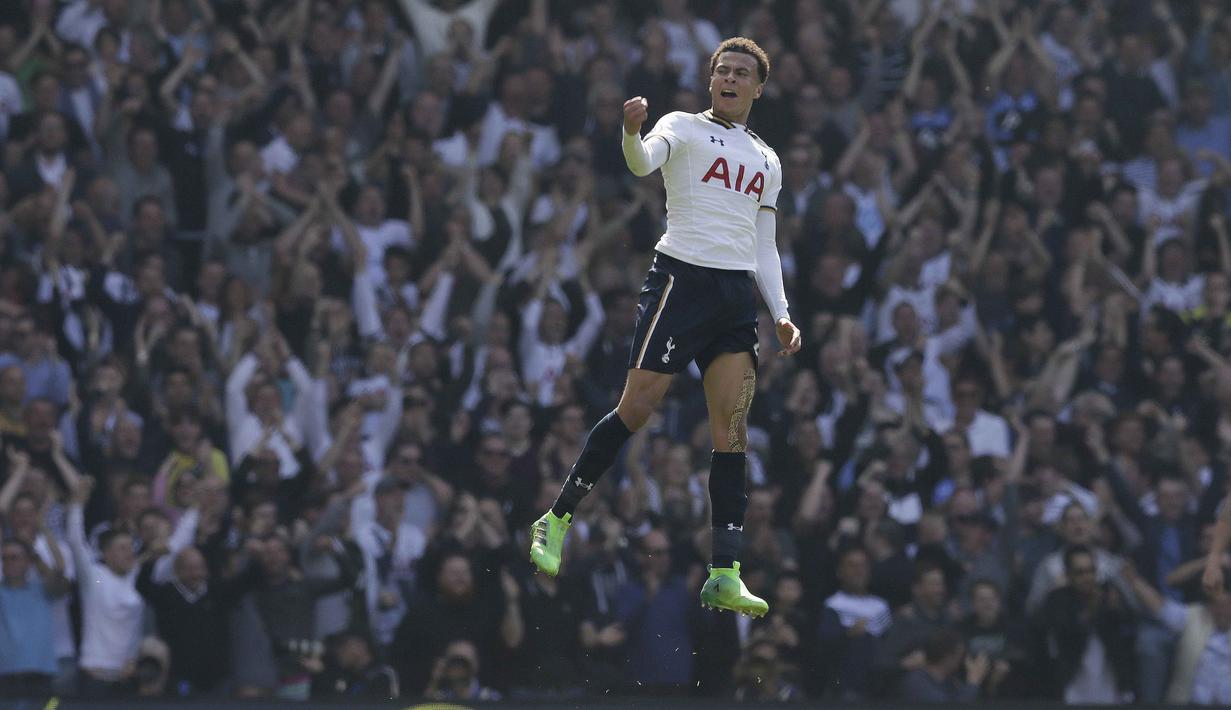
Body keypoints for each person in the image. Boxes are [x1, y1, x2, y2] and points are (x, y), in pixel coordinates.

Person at [529, 36, 801, 618]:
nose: (729, 78)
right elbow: (642, 163)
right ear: (711, 80)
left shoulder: (768, 159)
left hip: (732, 298)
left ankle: (724, 570)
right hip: (681, 281)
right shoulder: (681, 125)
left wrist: (779, 312)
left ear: (759, 87)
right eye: (721, 70)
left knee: (732, 430)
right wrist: (631, 132)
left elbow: (763, 243)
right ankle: (555, 518)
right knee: (638, 408)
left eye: (741, 72)